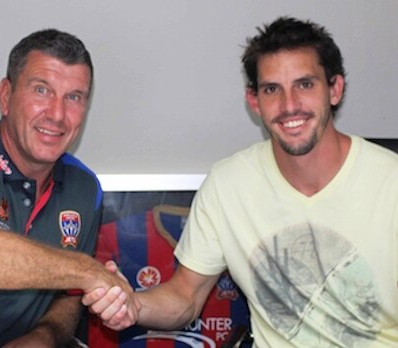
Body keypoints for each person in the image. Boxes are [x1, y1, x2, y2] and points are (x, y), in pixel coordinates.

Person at [85, 17, 398, 347]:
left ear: (335, 89)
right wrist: (133, 304)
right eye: (272, 89)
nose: (289, 105)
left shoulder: (390, 181)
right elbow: (185, 297)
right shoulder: (227, 185)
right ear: (254, 100)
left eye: (305, 84)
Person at [0, 29, 137, 347]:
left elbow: (67, 296)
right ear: (5, 96)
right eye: (42, 90)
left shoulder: (84, 187)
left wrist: (43, 336)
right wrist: (87, 271)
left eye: (74, 97)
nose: (57, 114)